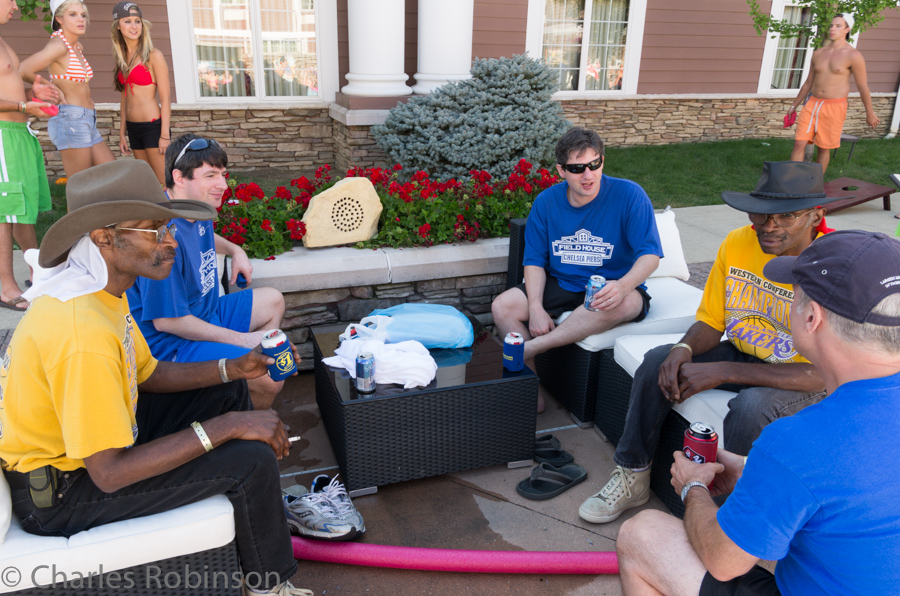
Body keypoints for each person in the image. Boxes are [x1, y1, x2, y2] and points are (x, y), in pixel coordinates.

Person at [0, 160, 312, 596]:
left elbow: (147, 373)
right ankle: (269, 585)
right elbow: (108, 474)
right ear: (104, 238)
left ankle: (248, 525)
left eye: (167, 228)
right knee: (250, 461)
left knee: (227, 389)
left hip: (88, 456)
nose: (170, 243)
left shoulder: (102, 290)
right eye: (154, 230)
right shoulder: (81, 333)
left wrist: (235, 367)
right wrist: (229, 428)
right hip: (61, 494)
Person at [616, 229, 900, 595]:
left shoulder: (798, 441)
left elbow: (722, 560)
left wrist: (694, 488)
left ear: (812, 317)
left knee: (643, 533)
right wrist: (753, 470)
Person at [578, 161, 842, 525]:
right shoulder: (737, 243)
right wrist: (683, 350)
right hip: (748, 351)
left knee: (750, 408)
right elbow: (712, 321)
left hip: (807, 376)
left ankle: (726, 518)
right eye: (762, 214)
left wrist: (720, 371)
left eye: (787, 216)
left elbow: (824, 371)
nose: (770, 226)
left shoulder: (834, 265)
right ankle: (633, 475)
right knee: (659, 359)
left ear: (816, 216)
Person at [491, 127, 662, 412]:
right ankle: (529, 389)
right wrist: (535, 306)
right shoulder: (546, 202)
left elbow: (650, 255)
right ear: (561, 170)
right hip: (562, 281)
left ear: (602, 161)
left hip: (611, 284)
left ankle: (531, 348)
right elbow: (534, 259)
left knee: (628, 300)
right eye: (577, 168)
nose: (588, 175)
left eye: (595, 164)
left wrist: (623, 285)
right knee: (503, 306)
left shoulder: (630, 195)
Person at [125, 134, 287, 409]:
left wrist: (236, 250)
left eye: (223, 175)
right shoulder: (161, 237)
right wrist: (244, 341)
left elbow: (203, 236)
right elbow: (168, 322)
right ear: (179, 177)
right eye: (210, 175)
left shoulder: (193, 208)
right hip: (173, 346)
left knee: (272, 300)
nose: (223, 185)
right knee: (268, 377)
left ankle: (235, 396)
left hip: (206, 316)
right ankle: (251, 426)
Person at [0, 0, 58, 310]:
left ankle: (38, 273)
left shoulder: (4, 41)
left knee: (21, 207)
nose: (15, 5)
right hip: (2, 135)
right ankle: (6, 288)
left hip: (19, 134)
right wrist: (24, 107)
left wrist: (34, 97)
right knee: (4, 211)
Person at [20, 0, 115, 177]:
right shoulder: (58, 46)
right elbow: (24, 70)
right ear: (59, 18)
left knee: (112, 172)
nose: (80, 20)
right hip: (71, 119)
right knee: (80, 186)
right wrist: (53, 88)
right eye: (73, 14)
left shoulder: (77, 46)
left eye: (83, 15)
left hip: (86, 117)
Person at [787, 12, 879, 174]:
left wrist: (869, 113)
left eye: (838, 26)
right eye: (831, 25)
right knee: (799, 143)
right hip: (812, 104)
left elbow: (863, 87)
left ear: (847, 29)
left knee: (823, 148)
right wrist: (794, 105)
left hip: (834, 107)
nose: (832, 29)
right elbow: (808, 82)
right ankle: (792, 180)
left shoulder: (853, 56)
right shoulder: (818, 53)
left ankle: (814, 184)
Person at [111, 1, 171, 184]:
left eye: (137, 21)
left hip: (152, 127)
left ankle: (174, 214)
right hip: (133, 128)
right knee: (148, 182)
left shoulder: (154, 55)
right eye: (127, 21)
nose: (134, 26)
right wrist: (122, 132)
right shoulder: (122, 57)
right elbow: (124, 97)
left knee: (163, 183)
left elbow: (166, 98)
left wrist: (164, 135)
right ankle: (155, 214)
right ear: (118, 26)